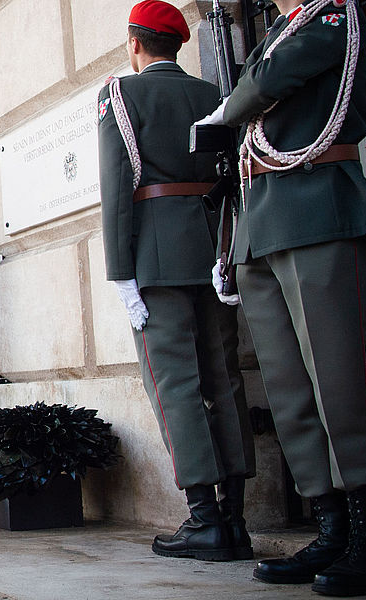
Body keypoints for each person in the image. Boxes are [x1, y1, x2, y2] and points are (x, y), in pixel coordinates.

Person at [199, 0, 366, 594]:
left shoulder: (334, 20)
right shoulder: (279, 32)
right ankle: (331, 525)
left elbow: (265, 86)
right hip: (262, 219)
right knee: (289, 390)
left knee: (335, 379)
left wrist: (225, 110)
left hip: (319, 207)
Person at [97, 0, 256, 563]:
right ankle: (235, 517)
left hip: (156, 260)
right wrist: (228, 249)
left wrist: (121, 272)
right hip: (211, 249)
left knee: (175, 386)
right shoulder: (212, 94)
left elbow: (118, 187)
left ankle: (205, 519)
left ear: (134, 44)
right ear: (177, 45)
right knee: (224, 379)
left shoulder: (122, 94)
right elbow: (233, 178)